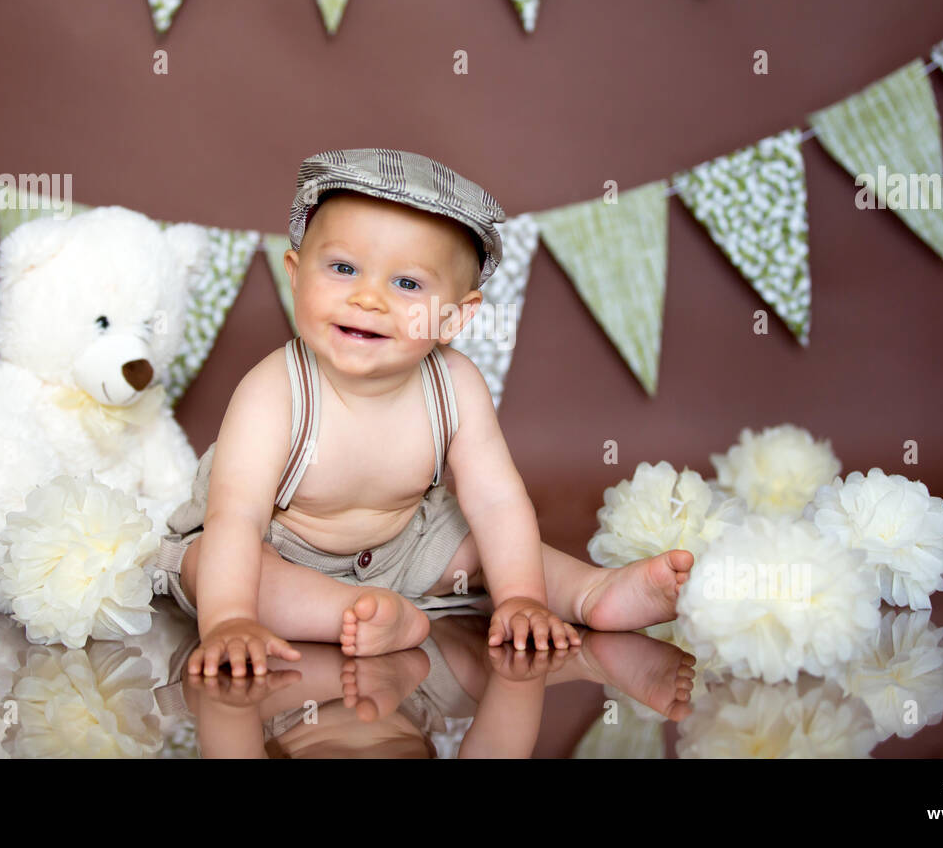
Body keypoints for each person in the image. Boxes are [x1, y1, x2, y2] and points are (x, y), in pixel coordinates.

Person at [154, 148, 693, 677]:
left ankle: (591, 592)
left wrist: (520, 597)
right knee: (215, 571)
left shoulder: (455, 385)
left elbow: (497, 500)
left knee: (488, 550)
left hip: (409, 549)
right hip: (278, 551)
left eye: (407, 283)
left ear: (456, 317)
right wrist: (227, 621)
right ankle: (352, 616)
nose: (368, 299)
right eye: (343, 268)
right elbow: (237, 518)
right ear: (295, 274)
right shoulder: (273, 390)